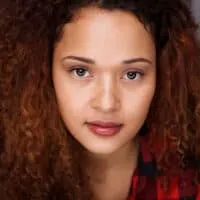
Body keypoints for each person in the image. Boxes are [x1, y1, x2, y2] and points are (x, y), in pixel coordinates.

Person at [0, 0, 199, 199]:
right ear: (41, 69)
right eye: (80, 71)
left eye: (132, 74)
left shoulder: (190, 183)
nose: (107, 104)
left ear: (164, 73)